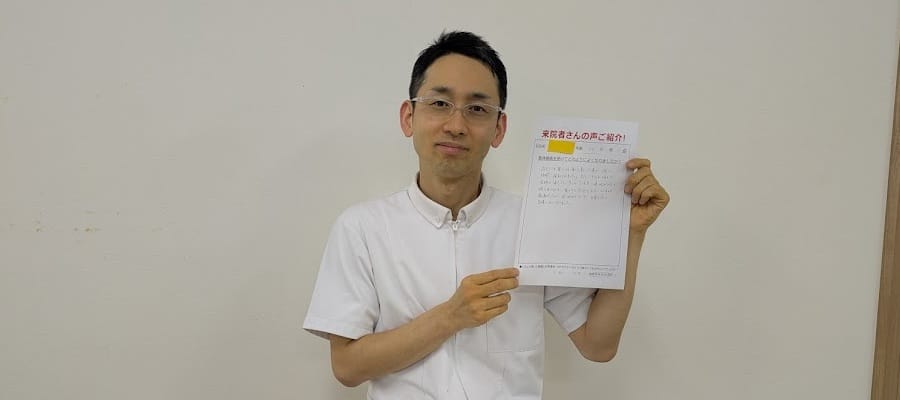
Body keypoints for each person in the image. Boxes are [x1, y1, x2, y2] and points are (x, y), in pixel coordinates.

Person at [303, 31, 669, 400]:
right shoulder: (363, 227)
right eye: (440, 103)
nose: (456, 125)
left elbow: (598, 344)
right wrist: (450, 316)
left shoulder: (531, 223)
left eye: (477, 109)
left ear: (499, 128)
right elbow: (347, 367)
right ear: (408, 117)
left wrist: (632, 234)